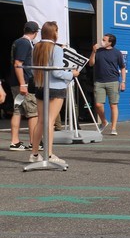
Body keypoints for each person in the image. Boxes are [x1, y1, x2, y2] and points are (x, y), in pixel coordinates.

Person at [30, 21, 79, 166]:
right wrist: (72, 74)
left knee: (41, 121)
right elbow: (57, 72)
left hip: (40, 87)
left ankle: (34, 154)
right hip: (56, 88)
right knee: (50, 122)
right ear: (54, 32)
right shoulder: (56, 49)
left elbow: (33, 70)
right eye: (57, 30)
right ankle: (49, 154)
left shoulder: (36, 47)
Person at [9, 21, 40, 152]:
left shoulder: (18, 41)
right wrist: (23, 83)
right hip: (24, 82)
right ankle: (34, 142)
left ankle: (15, 142)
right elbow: (18, 63)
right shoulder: (24, 43)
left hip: (16, 81)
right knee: (33, 113)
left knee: (17, 111)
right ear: (35, 32)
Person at [87, 33, 127, 135]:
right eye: (102, 39)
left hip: (113, 81)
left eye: (104, 40)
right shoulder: (98, 51)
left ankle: (113, 128)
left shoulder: (117, 53)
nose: (102, 41)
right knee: (98, 104)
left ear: (110, 43)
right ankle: (104, 121)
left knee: (113, 105)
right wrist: (93, 51)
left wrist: (123, 81)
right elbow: (91, 63)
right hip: (99, 81)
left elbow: (122, 67)